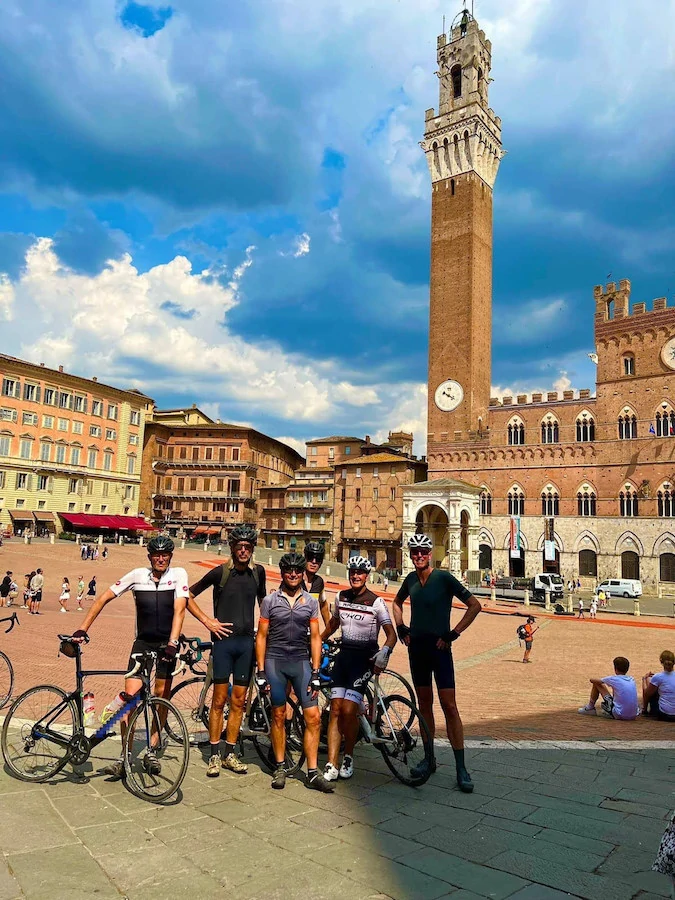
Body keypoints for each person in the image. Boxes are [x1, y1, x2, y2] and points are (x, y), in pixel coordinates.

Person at [71, 535, 188, 778]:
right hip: (142, 643)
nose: (160, 558)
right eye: (156, 554)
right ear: (149, 557)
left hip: (167, 644)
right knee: (130, 701)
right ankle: (124, 756)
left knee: (161, 696)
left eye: (165, 554)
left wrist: (173, 642)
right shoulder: (137, 575)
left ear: (170, 556)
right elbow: (103, 597)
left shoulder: (179, 575)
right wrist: (83, 628)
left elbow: (180, 610)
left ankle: (153, 748)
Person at [392, 533, 482, 791]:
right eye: (414, 552)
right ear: (410, 555)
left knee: (449, 706)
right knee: (424, 706)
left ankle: (461, 767)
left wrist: (453, 633)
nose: (418, 555)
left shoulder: (443, 578)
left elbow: (474, 605)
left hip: (440, 649)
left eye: (423, 551)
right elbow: (396, 602)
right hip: (417, 650)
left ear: (430, 554)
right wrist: (401, 627)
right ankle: (429, 759)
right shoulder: (410, 580)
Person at [187, 524, 266, 777]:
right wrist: (207, 621)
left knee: (239, 702)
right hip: (223, 644)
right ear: (232, 548)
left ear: (252, 549)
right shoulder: (219, 573)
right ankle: (213, 755)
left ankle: (230, 753)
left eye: (247, 547)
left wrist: (268, 631)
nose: (243, 551)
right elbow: (187, 595)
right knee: (219, 700)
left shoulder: (258, 573)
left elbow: (264, 604)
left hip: (246, 646)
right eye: (239, 547)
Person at [256, 552, 334, 792]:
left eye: (297, 571)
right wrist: (260, 670)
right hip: (275, 662)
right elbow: (261, 636)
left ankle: (312, 772)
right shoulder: (270, 601)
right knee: (278, 716)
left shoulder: (310, 602)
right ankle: (280, 766)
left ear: (302, 575)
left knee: (314, 717)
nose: (293, 574)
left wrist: (316, 671)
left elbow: (315, 638)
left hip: (301, 662)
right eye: (289, 570)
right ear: (282, 573)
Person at [321, 556, 396, 782]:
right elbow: (334, 623)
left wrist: (384, 652)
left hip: (363, 661)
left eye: (360, 572)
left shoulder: (376, 602)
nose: (355, 575)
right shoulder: (341, 597)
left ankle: (349, 757)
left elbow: (391, 634)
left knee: (347, 710)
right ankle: (332, 763)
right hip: (344, 659)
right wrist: (316, 641)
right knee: (334, 709)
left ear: (367, 575)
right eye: (352, 571)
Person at [303, 541, 330, 626]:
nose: (314, 562)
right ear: (305, 558)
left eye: (318, 559)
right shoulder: (294, 578)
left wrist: (328, 630)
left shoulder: (319, 582)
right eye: (310, 557)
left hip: (309, 631)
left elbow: (323, 605)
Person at [642, 651, 675, 721]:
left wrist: (644, 679)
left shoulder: (658, 677)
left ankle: (644, 710)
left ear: (661, 662)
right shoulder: (658, 677)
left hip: (664, 714)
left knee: (648, 683)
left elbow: (647, 693)